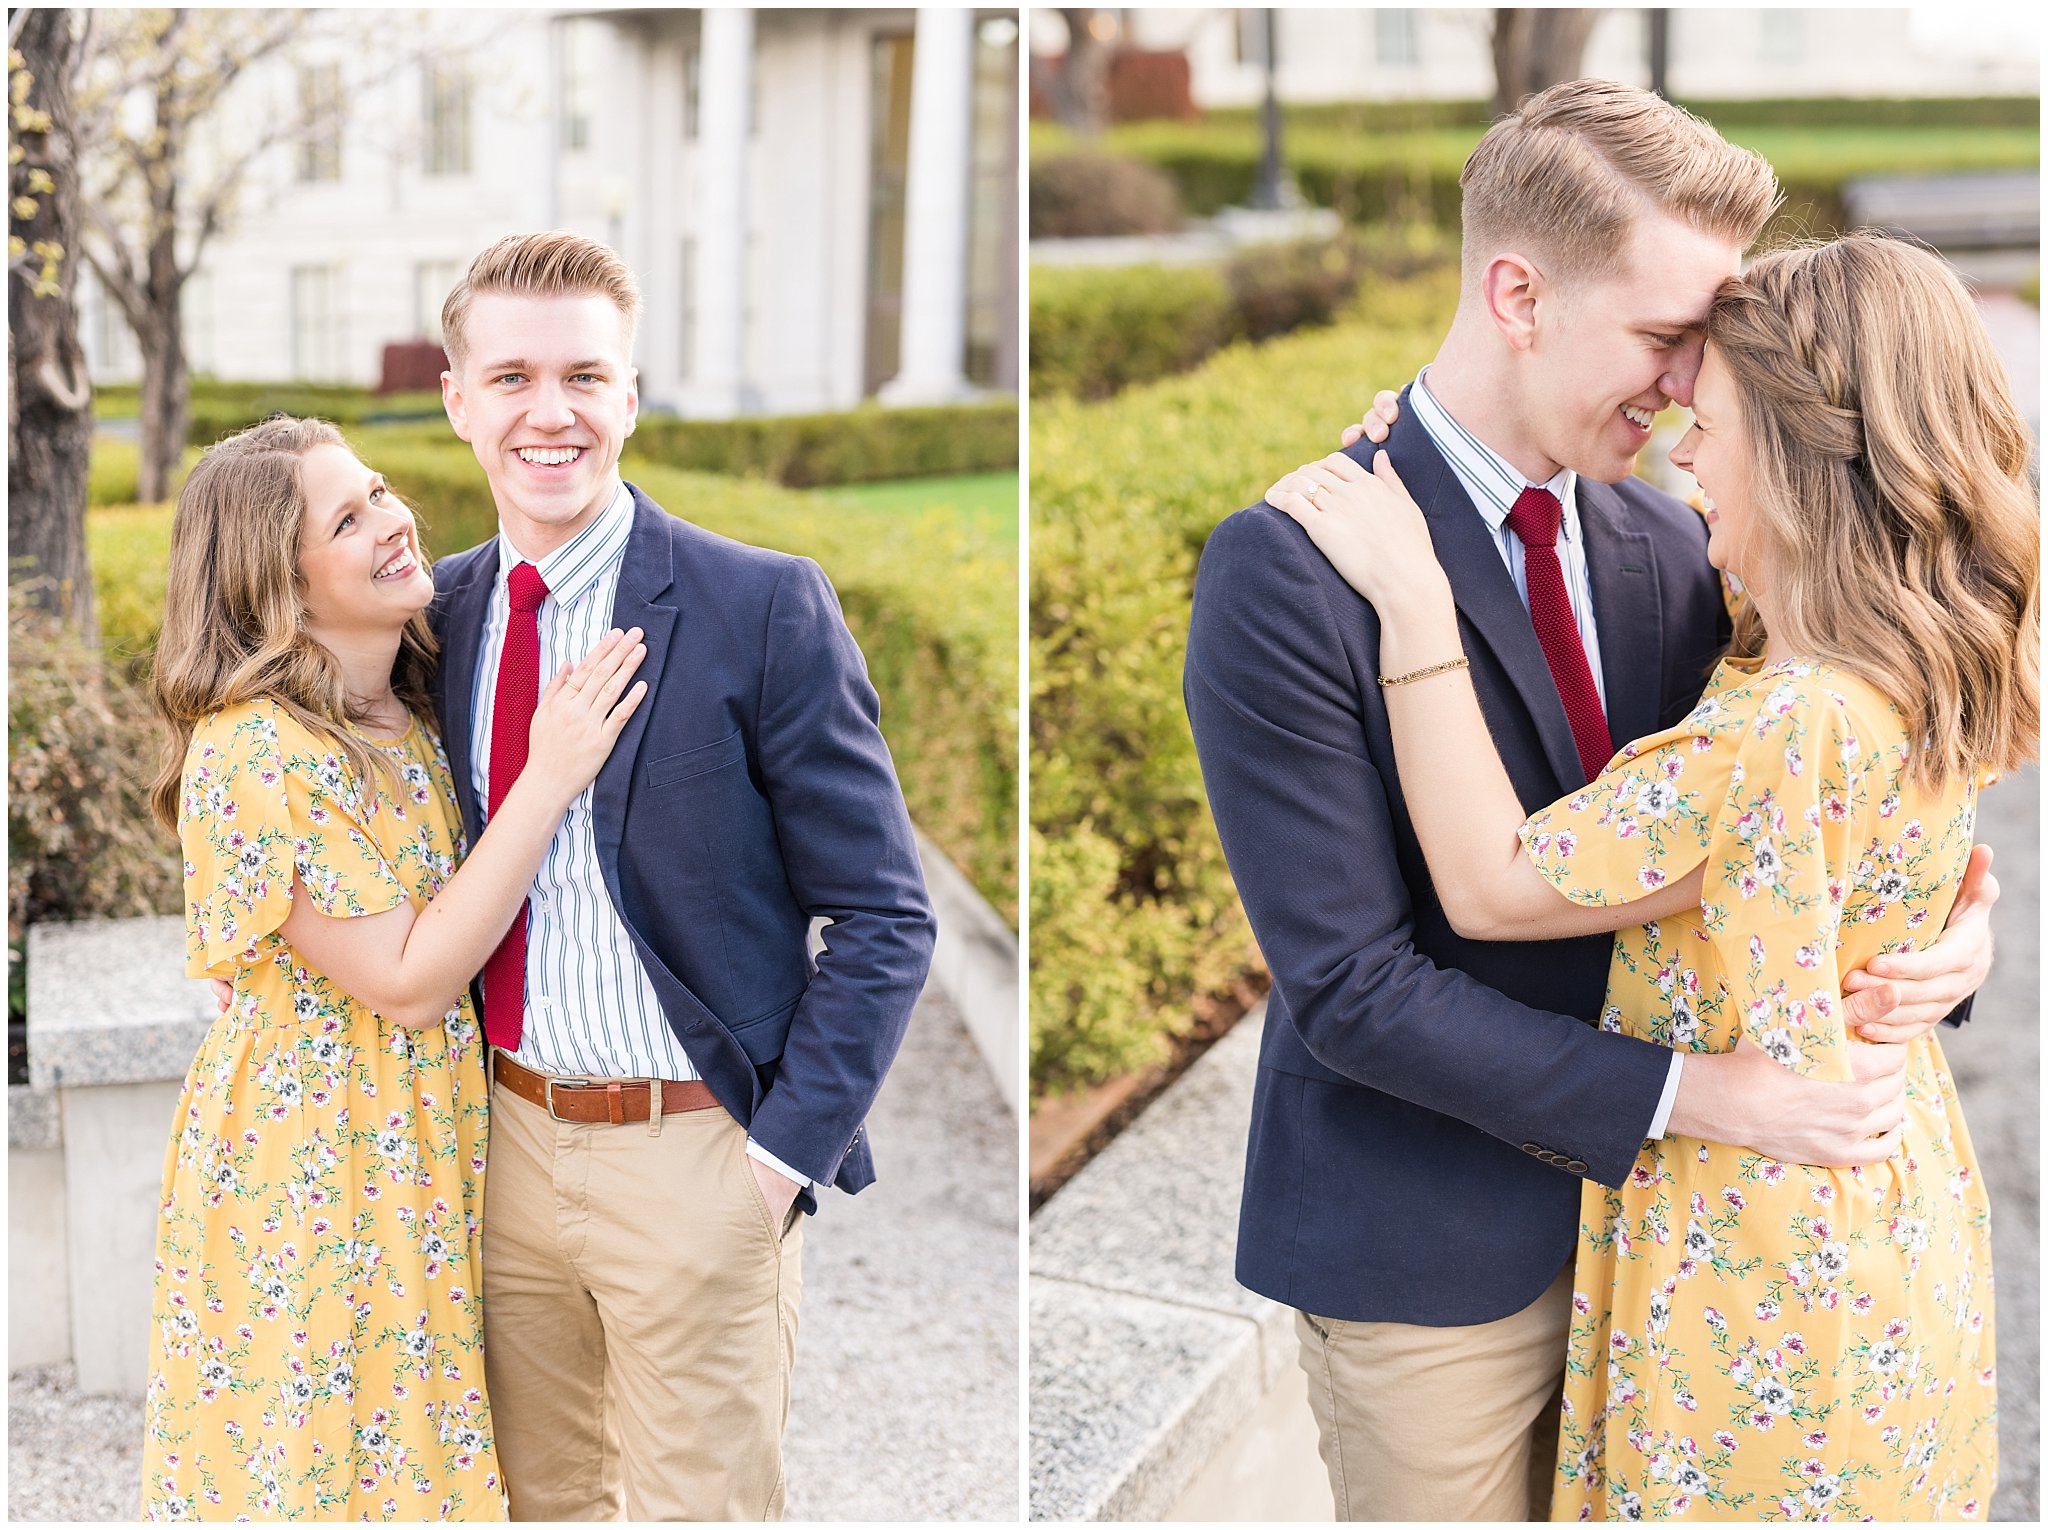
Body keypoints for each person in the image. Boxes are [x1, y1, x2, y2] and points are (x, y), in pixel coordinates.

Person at [1181, 80, 2000, 1523]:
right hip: (1436, 1261)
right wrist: (1702, 1093)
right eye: (1666, 334)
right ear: (1519, 293)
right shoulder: (1295, 568)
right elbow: (1353, 987)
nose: (1693, 385)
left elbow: (1828, 778)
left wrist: (1947, 950)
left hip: (1696, 1249)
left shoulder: (1685, 532)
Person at [425, 231, 935, 1521]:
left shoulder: (758, 606)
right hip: (497, 1149)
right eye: (513, 378)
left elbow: (883, 913)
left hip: (695, 1150)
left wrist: (775, 1163)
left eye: (586, 378)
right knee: (540, 1507)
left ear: (632, 397)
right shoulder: (437, 621)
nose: (552, 413)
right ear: (457, 399)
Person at [143, 415, 650, 1521]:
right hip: (318, 1165)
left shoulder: (405, 714)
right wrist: (548, 775)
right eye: (347, 516)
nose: (391, 519)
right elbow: (411, 980)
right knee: (328, 1464)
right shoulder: (256, 747)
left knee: (424, 1457)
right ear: (276, 583)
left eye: (376, 491)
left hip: (421, 1143)